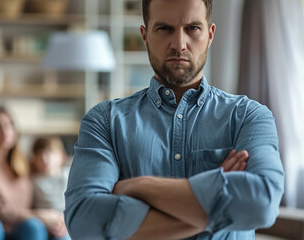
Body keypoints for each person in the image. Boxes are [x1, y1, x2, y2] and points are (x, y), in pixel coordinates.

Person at [64, 0, 285, 239]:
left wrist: (139, 186)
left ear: (210, 35)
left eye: (192, 28)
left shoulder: (248, 116)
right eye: (165, 29)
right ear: (145, 35)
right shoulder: (105, 121)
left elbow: (262, 203)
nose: (179, 44)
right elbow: (84, 222)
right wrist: (220, 198)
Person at [0, 108, 68, 240]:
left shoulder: (25, 165)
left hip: (20, 227)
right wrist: (37, 215)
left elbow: (52, 173)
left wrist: (62, 220)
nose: (5, 131)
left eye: (9, 125)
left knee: (34, 226)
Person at [30, 138, 71, 240]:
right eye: (39, 154)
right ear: (33, 159)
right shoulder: (32, 181)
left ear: (62, 156)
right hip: (43, 223)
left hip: (66, 223)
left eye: (50, 153)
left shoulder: (69, 174)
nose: (44, 158)